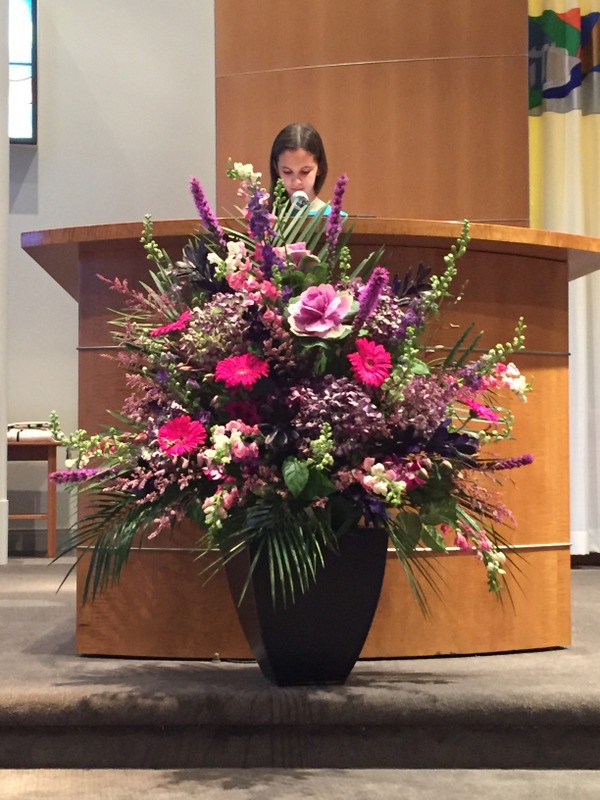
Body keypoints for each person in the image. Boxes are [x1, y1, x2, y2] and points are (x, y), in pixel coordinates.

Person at [269, 123, 339, 214]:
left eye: (305, 172)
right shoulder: (263, 217)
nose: (296, 182)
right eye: (287, 172)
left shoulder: (337, 219)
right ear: (276, 168)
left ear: (319, 167)